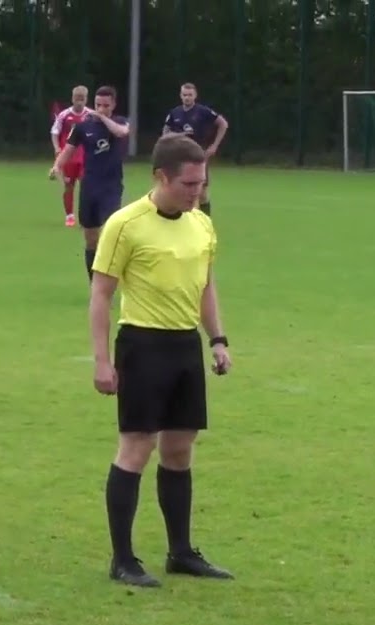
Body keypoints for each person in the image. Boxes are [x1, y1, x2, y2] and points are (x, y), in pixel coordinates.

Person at [89, 134, 235, 589]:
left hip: (184, 347)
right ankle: (123, 559)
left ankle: (181, 552)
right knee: (137, 448)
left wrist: (218, 339)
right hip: (142, 345)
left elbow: (206, 287)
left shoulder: (202, 225)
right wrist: (101, 361)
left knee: (179, 450)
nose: (197, 192)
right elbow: (101, 294)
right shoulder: (125, 224)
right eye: (189, 184)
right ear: (161, 177)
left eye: (202, 183)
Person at [49, 86, 129, 281]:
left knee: (111, 232)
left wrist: (102, 117)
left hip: (110, 187)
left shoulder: (120, 121)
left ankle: (112, 278)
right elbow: (68, 149)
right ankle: (95, 284)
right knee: (91, 238)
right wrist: (57, 166)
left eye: (106, 105)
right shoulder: (83, 127)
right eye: (98, 105)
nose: (101, 108)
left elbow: (121, 133)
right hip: (89, 186)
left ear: (114, 105)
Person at [162, 83, 229, 216]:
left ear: (195, 96)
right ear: (180, 96)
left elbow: (223, 124)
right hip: (180, 155)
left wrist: (214, 146)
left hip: (198, 155)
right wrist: (178, 137)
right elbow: (165, 133)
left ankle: (205, 220)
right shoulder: (174, 113)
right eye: (184, 95)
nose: (187, 98)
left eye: (190, 95)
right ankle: (182, 217)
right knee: (180, 188)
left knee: (202, 192)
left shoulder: (203, 111)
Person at [50, 85, 93, 227]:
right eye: (76, 99)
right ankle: (69, 215)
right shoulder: (64, 115)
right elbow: (55, 132)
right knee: (69, 186)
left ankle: (85, 216)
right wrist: (57, 148)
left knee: (86, 187)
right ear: (72, 99)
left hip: (86, 157)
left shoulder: (91, 115)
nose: (79, 102)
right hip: (68, 157)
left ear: (86, 99)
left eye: (82, 99)